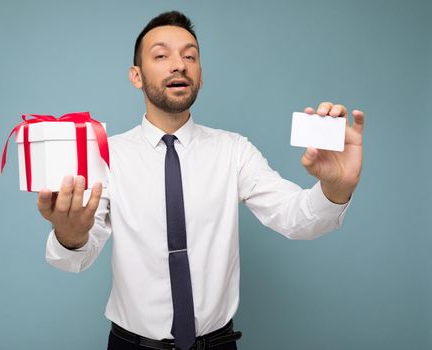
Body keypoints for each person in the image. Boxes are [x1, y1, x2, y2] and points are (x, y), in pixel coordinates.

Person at [36, 11, 364, 350]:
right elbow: (74, 259)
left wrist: (336, 187)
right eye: (161, 56)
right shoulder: (106, 157)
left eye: (189, 56)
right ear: (136, 76)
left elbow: (296, 219)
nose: (179, 65)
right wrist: (70, 235)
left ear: (201, 76)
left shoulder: (234, 150)